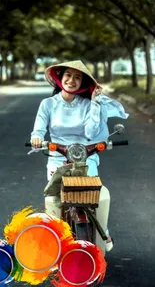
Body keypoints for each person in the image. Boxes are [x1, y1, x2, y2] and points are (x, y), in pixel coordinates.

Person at [30, 60, 129, 253]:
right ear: (60, 77)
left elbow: (92, 133)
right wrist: (36, 137)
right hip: (57, 155)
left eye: (77, 77)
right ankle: (54, 240)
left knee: (93, 195)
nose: (71, 80)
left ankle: (103, 230)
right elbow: (39, 129)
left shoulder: (87, 104)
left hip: (85, 156)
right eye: (68, 75)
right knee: (54, 198)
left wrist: (94, 103)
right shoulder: (48, 104)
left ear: (82, 83)